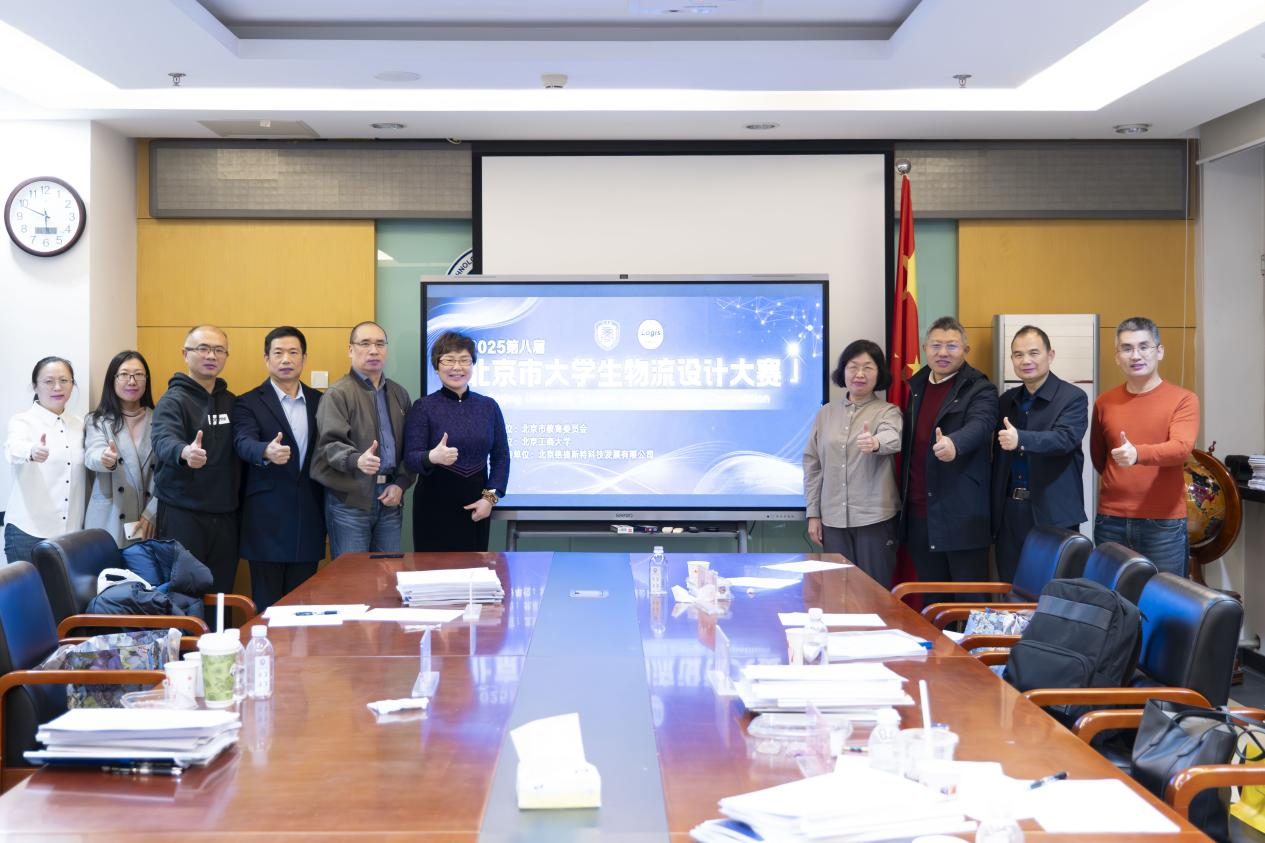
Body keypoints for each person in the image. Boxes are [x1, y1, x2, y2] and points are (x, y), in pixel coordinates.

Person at [1090, 316, 1198, 576]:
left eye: (1143, 347)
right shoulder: (1104, 402)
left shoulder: (1183, 399)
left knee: (1165, 596)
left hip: (1163, 524)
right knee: (1109, 595)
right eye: (1127, 348)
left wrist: (1137, 454)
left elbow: (1181, 449)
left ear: (1159, 351)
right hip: (1111, 520)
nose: (1135, 355)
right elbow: (1099, 457)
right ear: (1117, 356)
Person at [899, 316, 999, 594]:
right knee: (933, 602)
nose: (943, 352)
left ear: (966, 350)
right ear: (924, 349)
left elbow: (982, 424)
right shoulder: (915, 387)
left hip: (962, 516)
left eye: (952, 346)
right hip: (920, 515)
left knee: (969, 602)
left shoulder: (980, 388)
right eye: (936, 345)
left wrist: (955, 443)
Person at [232, 326, 326, 612]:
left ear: (304, 358)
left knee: (304, 608)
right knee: (268, 608)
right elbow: (242, 441)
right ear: (266, 358)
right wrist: (265, 451)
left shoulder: (320, 401)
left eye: (293, 352)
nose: (286, 359)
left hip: (308, 518)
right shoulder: (248, 402)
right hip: (266, 522)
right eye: (278, 353)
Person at [991, 326, 1088, 583]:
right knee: (1011, 586)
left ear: (1050, 355)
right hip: (1010, 511)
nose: (1026, 360)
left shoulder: (1072, 397)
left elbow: (1065, 439)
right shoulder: (1007, 400)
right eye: (1018, 355)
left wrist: (1021, 440)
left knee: (1054, 590)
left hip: (1053, 512)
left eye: (1034, 353)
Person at [803, 339, 902, 587]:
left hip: (874, 520)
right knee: (836, 591)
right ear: (843, 371)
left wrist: (875, 442)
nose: (859, 374)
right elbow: (813, 465)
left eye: (868, 367)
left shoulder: (888, 411)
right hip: (832, 520)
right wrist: (813, 514)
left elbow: (893, 437)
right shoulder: (826, 413)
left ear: (879, 373)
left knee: (874, 591)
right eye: (853, 367)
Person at [311, 321, 415, 559]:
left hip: (391, 498)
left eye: (380, 344)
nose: (373, 350)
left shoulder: (399, 393)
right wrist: (356, 460)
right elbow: (329, 445)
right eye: (365, 344)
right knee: (351, 575)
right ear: (351, 350)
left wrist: (401, 484)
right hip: (350, 501)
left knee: (388, 573)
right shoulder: (338, 393)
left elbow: (410, 448)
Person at [151, 325, 241, 593]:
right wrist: (185, 452)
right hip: (183, 512)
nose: (211, 355)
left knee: (221, 593)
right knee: (184, 594)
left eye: (219, 350)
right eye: (203, 348)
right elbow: (163, 439)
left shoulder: (231, 401)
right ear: (185, 354)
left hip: (225, 513)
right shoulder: (172, 400)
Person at [403, 332, 510, 553]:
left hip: (477, 507)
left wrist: (490, 499)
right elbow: (411, 457)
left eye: (464, 360)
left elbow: (501, 457)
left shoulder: (488, 406)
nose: (457, 367)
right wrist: (432, 457)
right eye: (449, 360)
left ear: (473, 364)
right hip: (433, 508)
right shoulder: (423, 407)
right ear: (437, 366)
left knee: (474, 570)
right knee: (432, 571)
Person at [3, 357, 85, 563]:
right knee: (26, 585)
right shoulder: (23, 421)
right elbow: (12, 449)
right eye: (49, 381)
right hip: (27, 531)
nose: (57, 387)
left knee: (64, 586)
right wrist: (31, 451)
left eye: (64, 380)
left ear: (72, 384)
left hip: (70, 534)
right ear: (35, 386)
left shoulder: (80, 425)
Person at [84, 351, 158, 547]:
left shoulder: (160, 419)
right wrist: (105, 458)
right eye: (124, 374)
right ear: (112, 379)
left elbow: (170, 473)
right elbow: (92, 454)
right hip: (109, 520)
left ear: (146, 379)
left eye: (138, 374)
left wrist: (153, 512)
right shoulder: (97, 420)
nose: (132, 381)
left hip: (149, 519)